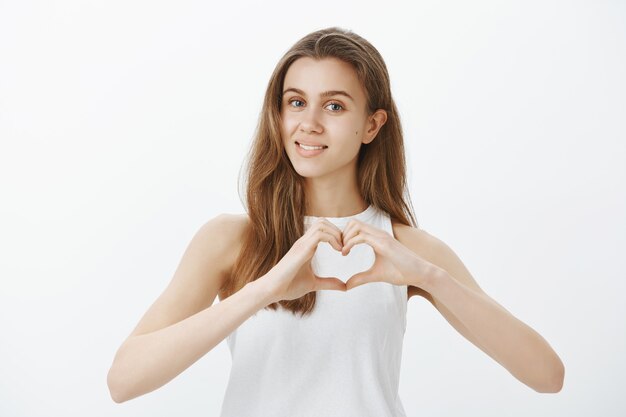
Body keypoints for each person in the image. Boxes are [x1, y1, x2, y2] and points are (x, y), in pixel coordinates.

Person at [107, 26, 565, 415]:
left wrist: (429, 277)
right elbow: (124, 381)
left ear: (372, 125)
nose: (308, 123)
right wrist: (263, 290)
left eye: (334, 106)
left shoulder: (407, 248)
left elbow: (546, 376)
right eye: (295, 102)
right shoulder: (232, 239)